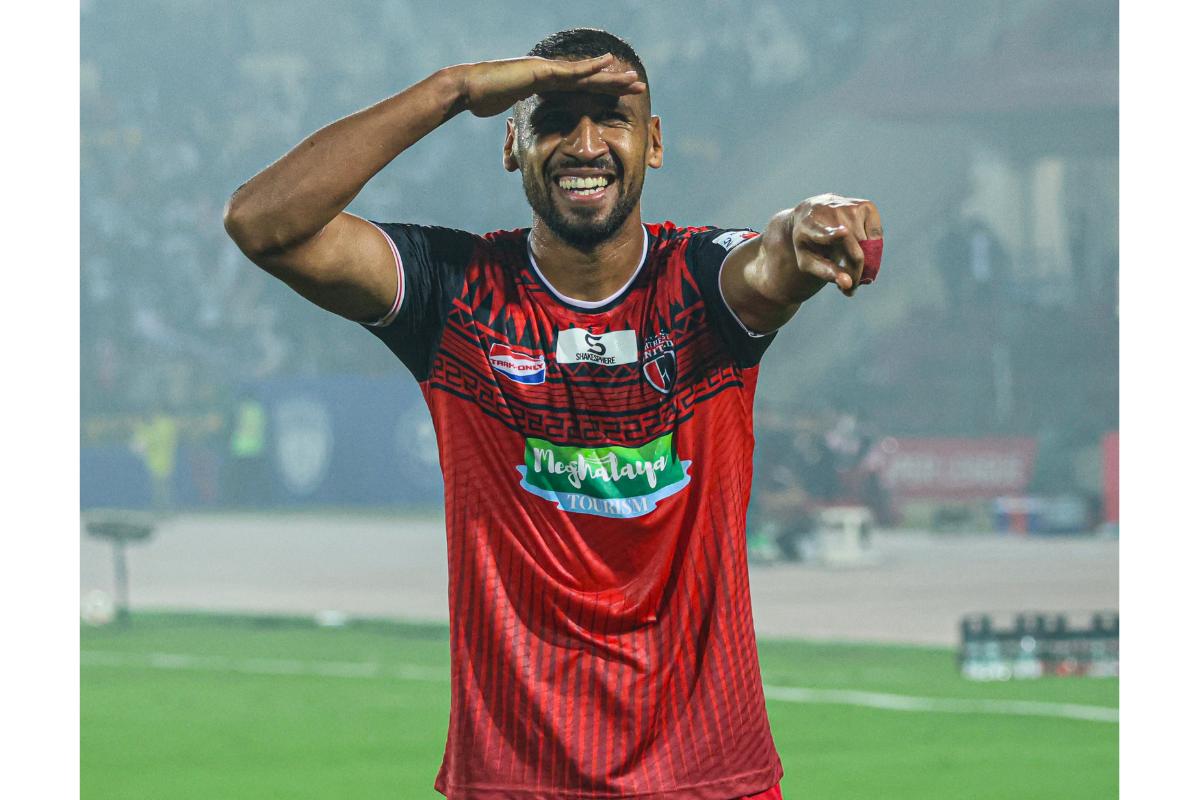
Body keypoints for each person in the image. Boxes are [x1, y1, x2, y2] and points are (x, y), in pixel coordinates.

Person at [224, 28, 883, 800]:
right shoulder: (456, 293)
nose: (585, 143)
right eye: (553, 119)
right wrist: (454, 89)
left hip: (711, 777)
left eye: (612, 117)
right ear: (511, 143)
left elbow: (771, 259)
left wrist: (815, 220)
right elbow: (261, 222)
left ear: (654, 142)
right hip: (516, 780)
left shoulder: (703, 286)